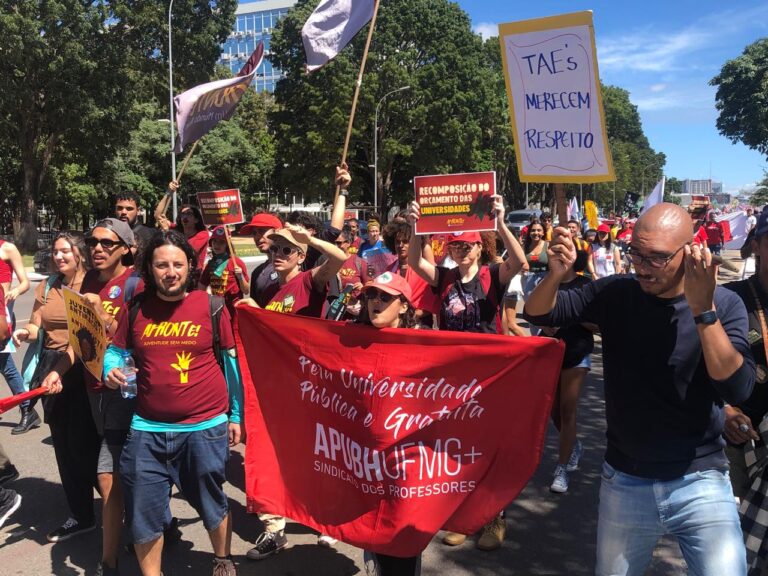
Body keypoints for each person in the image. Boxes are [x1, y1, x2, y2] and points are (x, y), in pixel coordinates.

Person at [524, 203, 755, 575]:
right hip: (626, 479)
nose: (642, 267)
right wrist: (554, 275)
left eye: (657, 258)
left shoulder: (725, 304)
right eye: (635, 253)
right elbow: (539, 313)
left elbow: (737, 387)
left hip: (701, 479)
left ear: (690, 251)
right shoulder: (617, 292)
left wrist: (703, 310)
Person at [104, 230, 243, 576]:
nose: (170, 272)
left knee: (211, 501)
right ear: (149, 269)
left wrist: (236, 415)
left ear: (190, 267)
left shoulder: (211, 307)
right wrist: (110, 369)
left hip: (205, 428)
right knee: (143, 513)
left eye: (178, 264)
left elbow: (231, 364)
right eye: (162, 265)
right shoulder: (136, 309)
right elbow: (116, 350)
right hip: (146, 430)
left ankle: (222, 559)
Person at [407, 195, 527, 550]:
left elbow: (519, 261)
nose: (460, 250)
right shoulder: (444, 278)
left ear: (478, 248)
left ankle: (493, 518)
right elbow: (414, 261)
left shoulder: (492, 275)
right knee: (458, 447)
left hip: (489, 378)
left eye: (467, 245)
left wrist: (501, 223)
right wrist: (416, 229)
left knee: (488, 447)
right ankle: (464, 517)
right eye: (455, 245)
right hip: (453, 379)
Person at [240, 224, 347, 559]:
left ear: (300, 257)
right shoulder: (272, 289)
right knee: (274, 457)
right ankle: (274, 529)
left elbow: (339, 259)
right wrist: (254, 311)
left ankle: (328, 520)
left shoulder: (309, 281)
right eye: (274, 249)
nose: (278, 255)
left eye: (286, 250)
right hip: (280, 389)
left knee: (318, 456)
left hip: (312, 387)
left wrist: (309, 239)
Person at [42, 218, 139, 575]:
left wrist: (100, 313)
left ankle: (109, 561)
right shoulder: (89, 283)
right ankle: (155, 522)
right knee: (126, 469)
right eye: (92, 241)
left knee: (108, 473)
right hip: (91, 390)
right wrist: (58, 370)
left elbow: (137, 339)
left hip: (123, 392)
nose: (97, 248)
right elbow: (81, 340)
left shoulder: (136, 284)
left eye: (107, 243)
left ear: (126, 249)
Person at [12, 232, 100, 543]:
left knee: (88, 446)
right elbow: (37, 325)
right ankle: (81, 515)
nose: (58, 256)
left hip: (83, 368)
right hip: (51, 368)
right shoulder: (48, 285)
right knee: (64, 446)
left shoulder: (92, 285)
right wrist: (26, 333)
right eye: (55, 252)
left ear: (79, 254)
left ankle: (122, 506)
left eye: (65, 251)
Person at [355, 272, 423, 576]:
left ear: (404, 306)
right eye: (371, 295)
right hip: (363, 463)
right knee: (375, 541)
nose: (376, 302)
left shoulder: (424, 345)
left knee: (402, 548)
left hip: (405, 466)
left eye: (385, 297)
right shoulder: (352, 339)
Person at [722, 210, 768, 573]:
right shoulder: (729, 299)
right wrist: (722, 409)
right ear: (756, 245)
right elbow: (692, 365)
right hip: (740, 440)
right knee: (733, 545)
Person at [540, 252, 594, 494]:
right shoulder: (547, 281)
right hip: (551, 352)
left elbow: (598, 324)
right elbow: (534, 312)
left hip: (578, 352)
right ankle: (574, 445)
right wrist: (544, 323)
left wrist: (574, 314)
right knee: (553, 411)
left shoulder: (585, 285)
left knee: (567, 409)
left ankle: (562, 469)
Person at [0, 237, 35, 434]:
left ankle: (27, 408)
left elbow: (25, 283)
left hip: (1, 315)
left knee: (5, 364)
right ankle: (27, 408)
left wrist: (15, 291)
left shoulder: (7, 248)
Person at [199, 226, 249, 321]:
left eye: (221, 242)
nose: (217, 245)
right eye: (214, 241)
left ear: (227, 244)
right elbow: (201, 287)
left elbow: (246, 291)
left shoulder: (236, 262)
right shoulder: (210, 264)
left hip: (233, 312)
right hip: (217, 310)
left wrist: (240, 277)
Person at [240, 212, 283, 307]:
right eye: (254, 233)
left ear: (277, 232)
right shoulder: (257, 273)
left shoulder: (296, 265)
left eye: (262, 231)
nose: (257, 237)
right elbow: (255, 310)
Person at [114, 190, 156, 255]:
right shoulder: (109, 233)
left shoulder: (150, 236)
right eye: (120, 208)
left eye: (129, 209)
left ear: (138, 211)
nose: (123, 212)